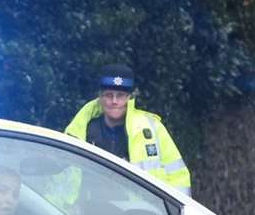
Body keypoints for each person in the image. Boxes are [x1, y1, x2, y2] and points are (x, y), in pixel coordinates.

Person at [64, 64, 191, 195]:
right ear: (100, 97)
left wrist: (179, 214)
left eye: (120, 95)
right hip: (88, 209)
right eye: (109, 95)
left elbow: (178, 177)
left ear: (130, 97)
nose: (114, 101)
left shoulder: (152, 129)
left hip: (139, 212)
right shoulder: (83, 130)